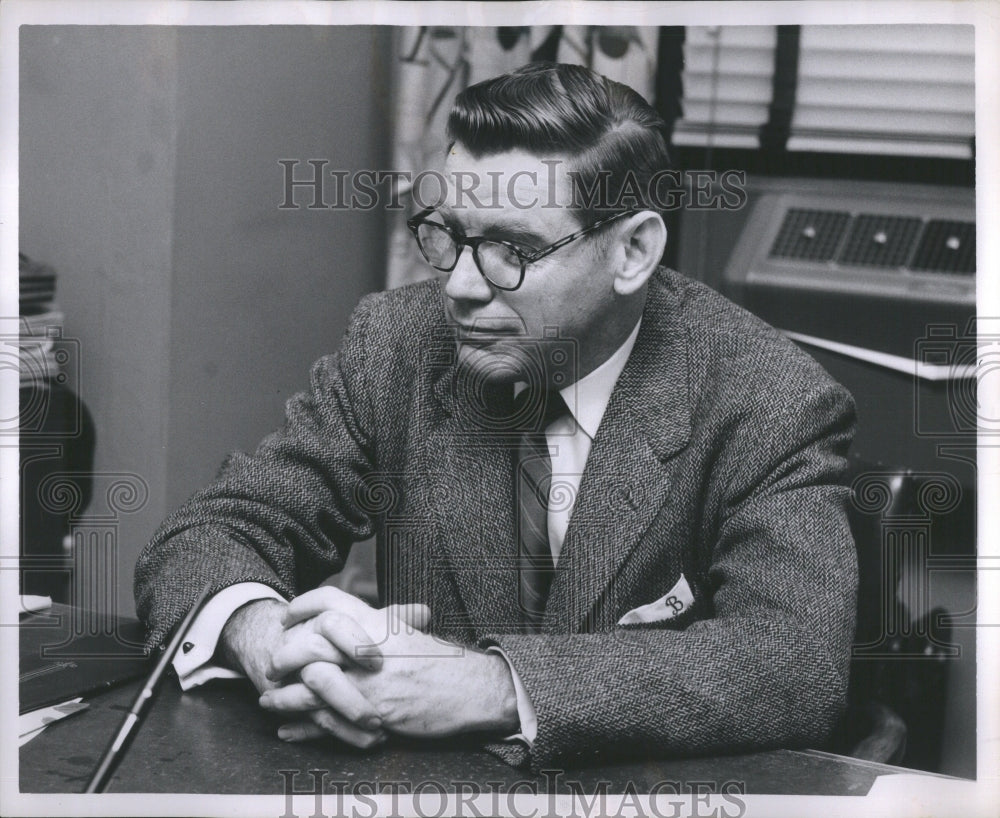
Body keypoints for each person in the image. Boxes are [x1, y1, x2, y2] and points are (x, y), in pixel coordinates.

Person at [134, 62, 858, 771]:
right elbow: (215, 529)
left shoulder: (769, 397)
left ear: (634, 249)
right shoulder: (399, 343)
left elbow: (791, 661)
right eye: (449, 235)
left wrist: (490, 687)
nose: (460, 286)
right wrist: (267, 640)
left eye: (512, 249)